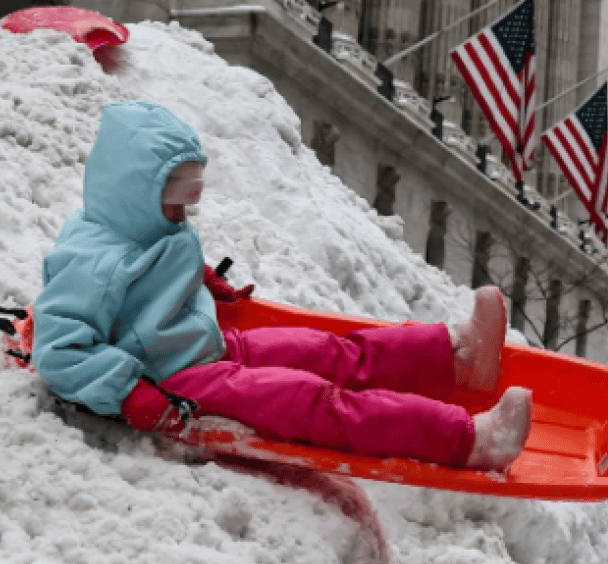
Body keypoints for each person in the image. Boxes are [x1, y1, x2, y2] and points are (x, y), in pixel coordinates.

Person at [32, 101, 533, 470]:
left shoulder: (148, 222)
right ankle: (471, 441)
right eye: (176, 199)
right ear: (135, 190)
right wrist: (127, 391)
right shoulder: (91, 262)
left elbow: (155, 262)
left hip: (211, 344)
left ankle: (459, 356)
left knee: (329, 351)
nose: (183, 213)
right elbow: (60, 351)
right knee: (316, 401)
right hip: (175, 379)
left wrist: (201, 278)